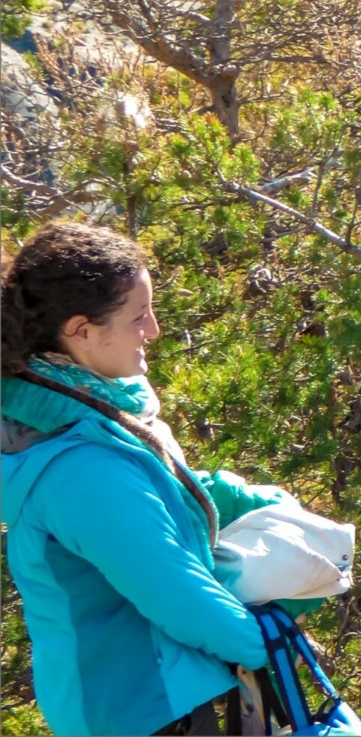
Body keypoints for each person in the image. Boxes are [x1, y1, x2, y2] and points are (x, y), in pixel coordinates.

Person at [1, 222, 315, 735]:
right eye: (138, 316)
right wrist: (273, 645)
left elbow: (151, 498)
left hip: (146, 695)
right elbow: (174, 592)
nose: (154, 330)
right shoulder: (80, 467)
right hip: (135, 709)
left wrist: (240, 497)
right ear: (80, 330)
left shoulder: (88, 418)